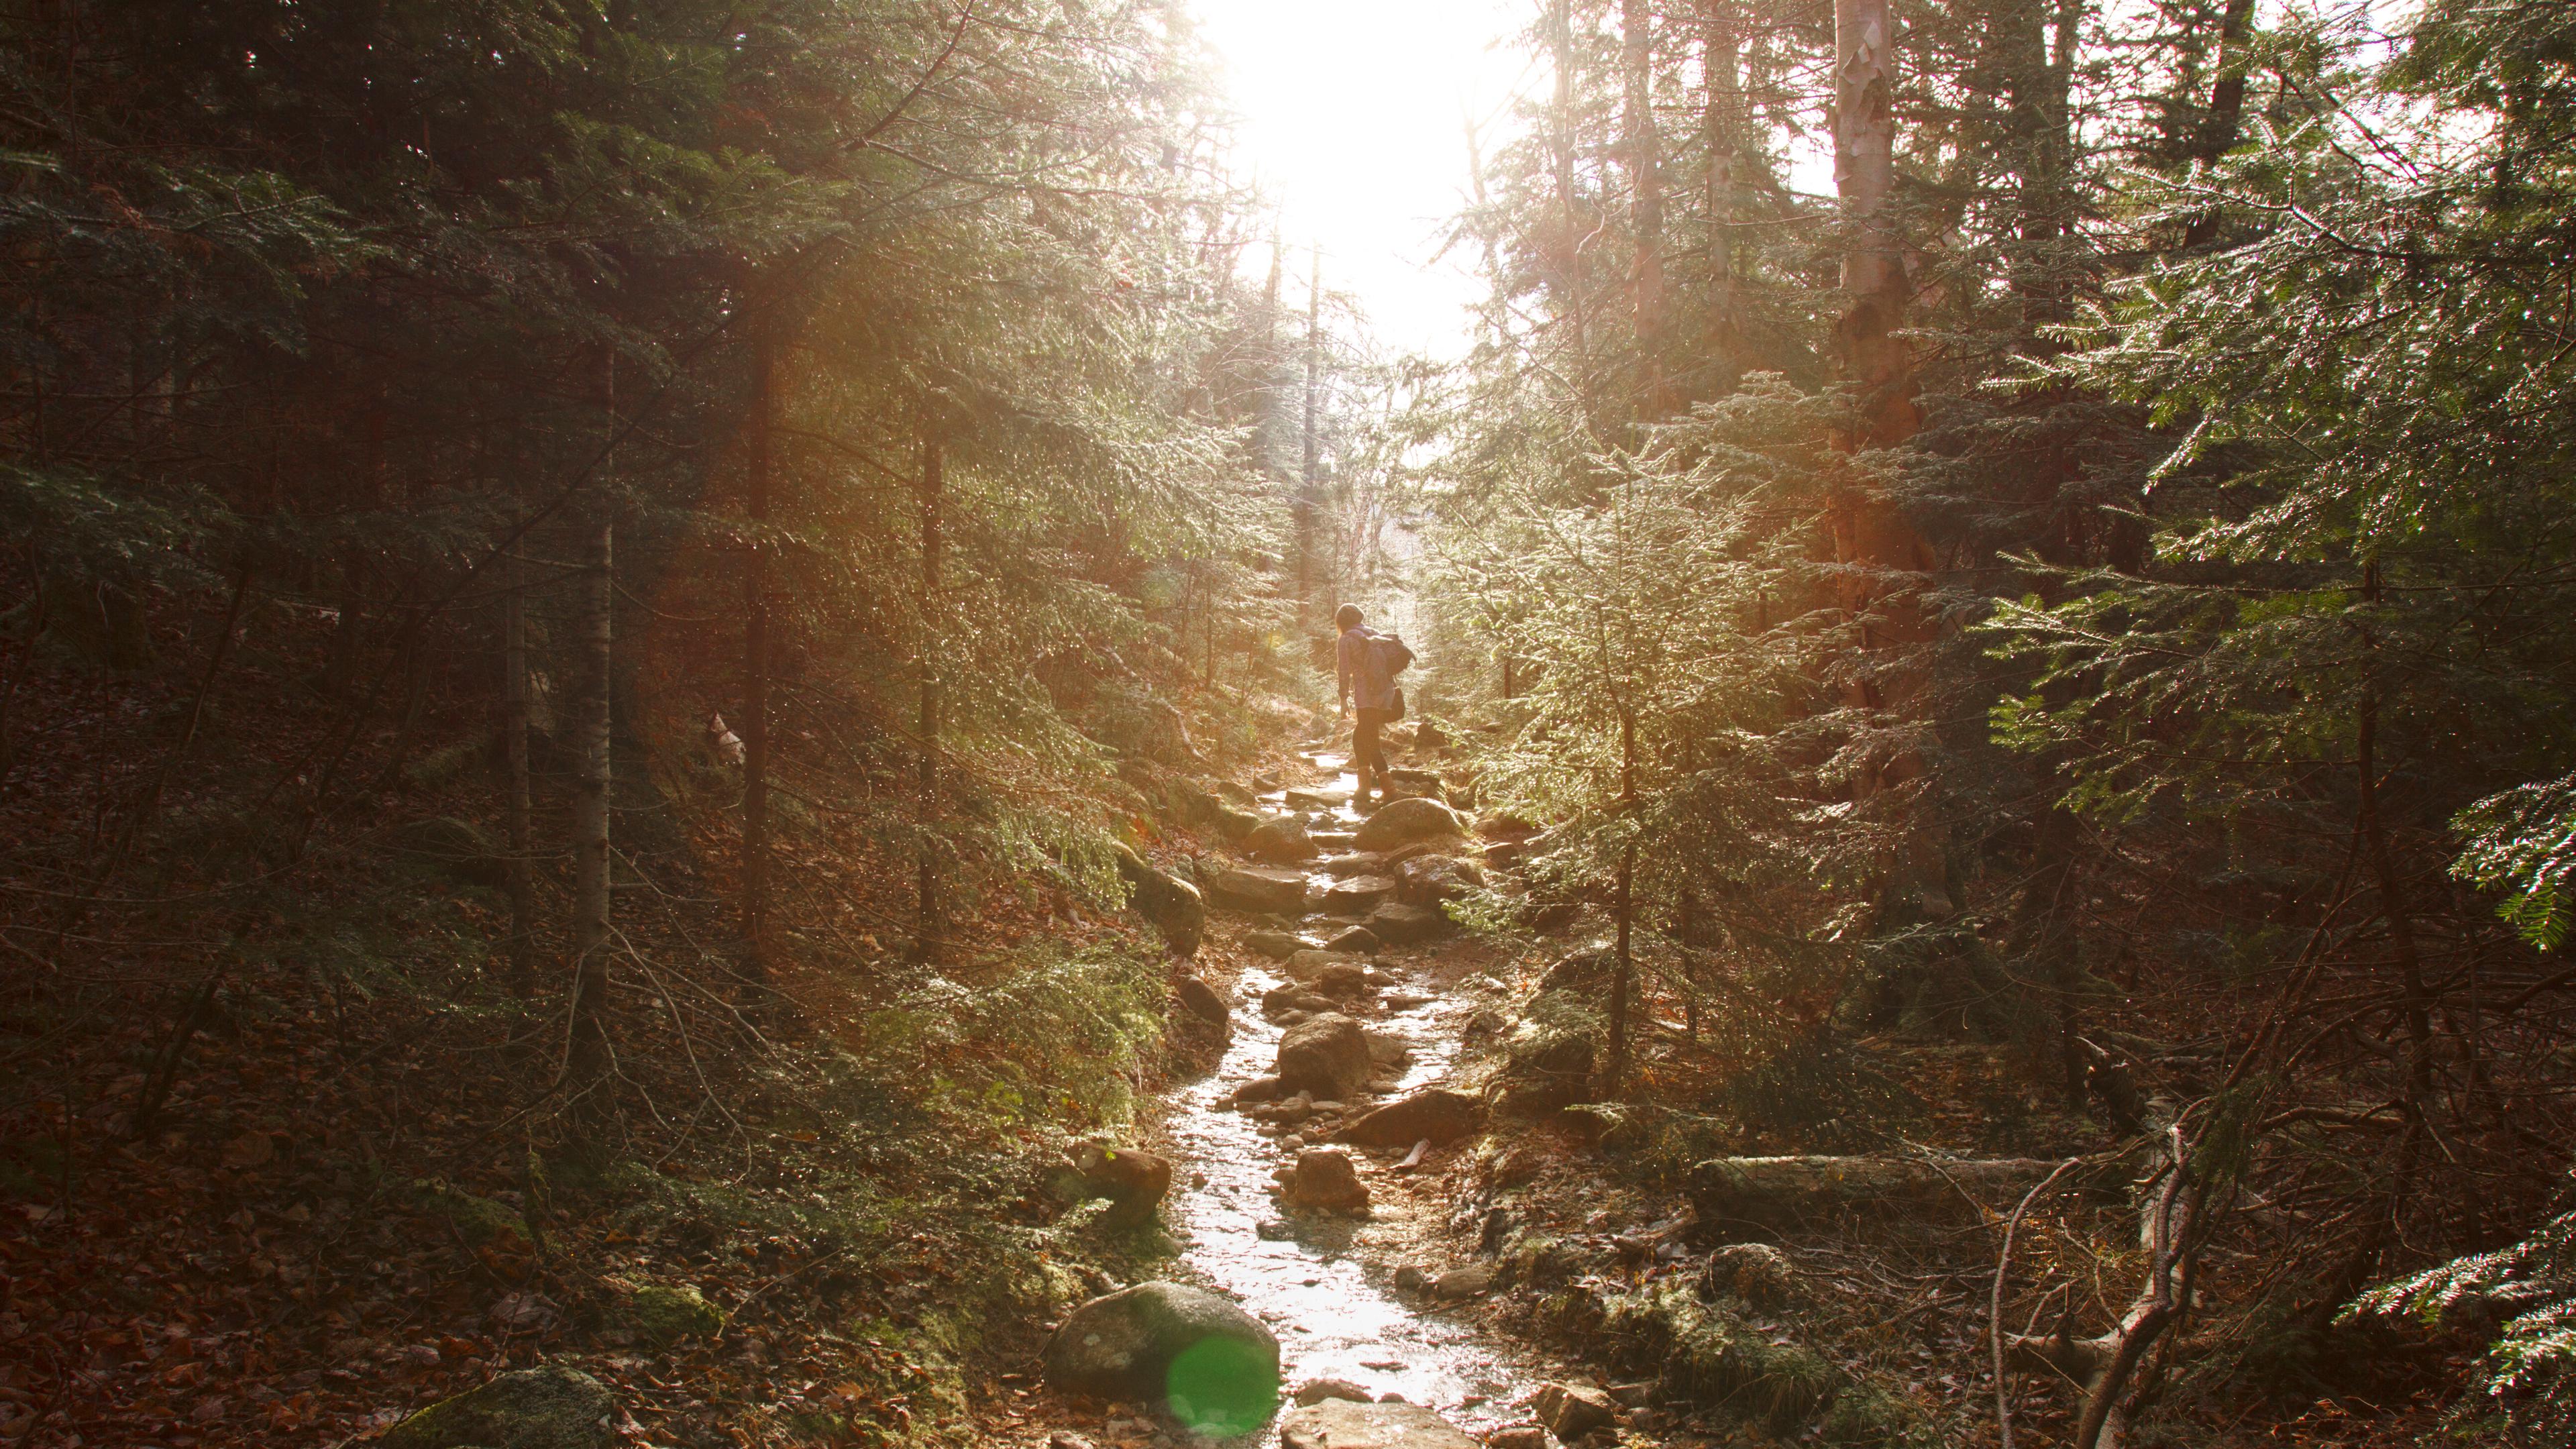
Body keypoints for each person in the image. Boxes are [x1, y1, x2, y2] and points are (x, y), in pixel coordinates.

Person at [1335, 604, 1393, 805]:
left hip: (1366, 694)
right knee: (1363, 736)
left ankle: (1385, 790)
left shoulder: (1346, 639)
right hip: (1385, 692)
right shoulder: (1374, 633)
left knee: (1368, 740)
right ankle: (1368, 788)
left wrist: (1343, 700)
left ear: (1341, 622)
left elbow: (1344, 672)